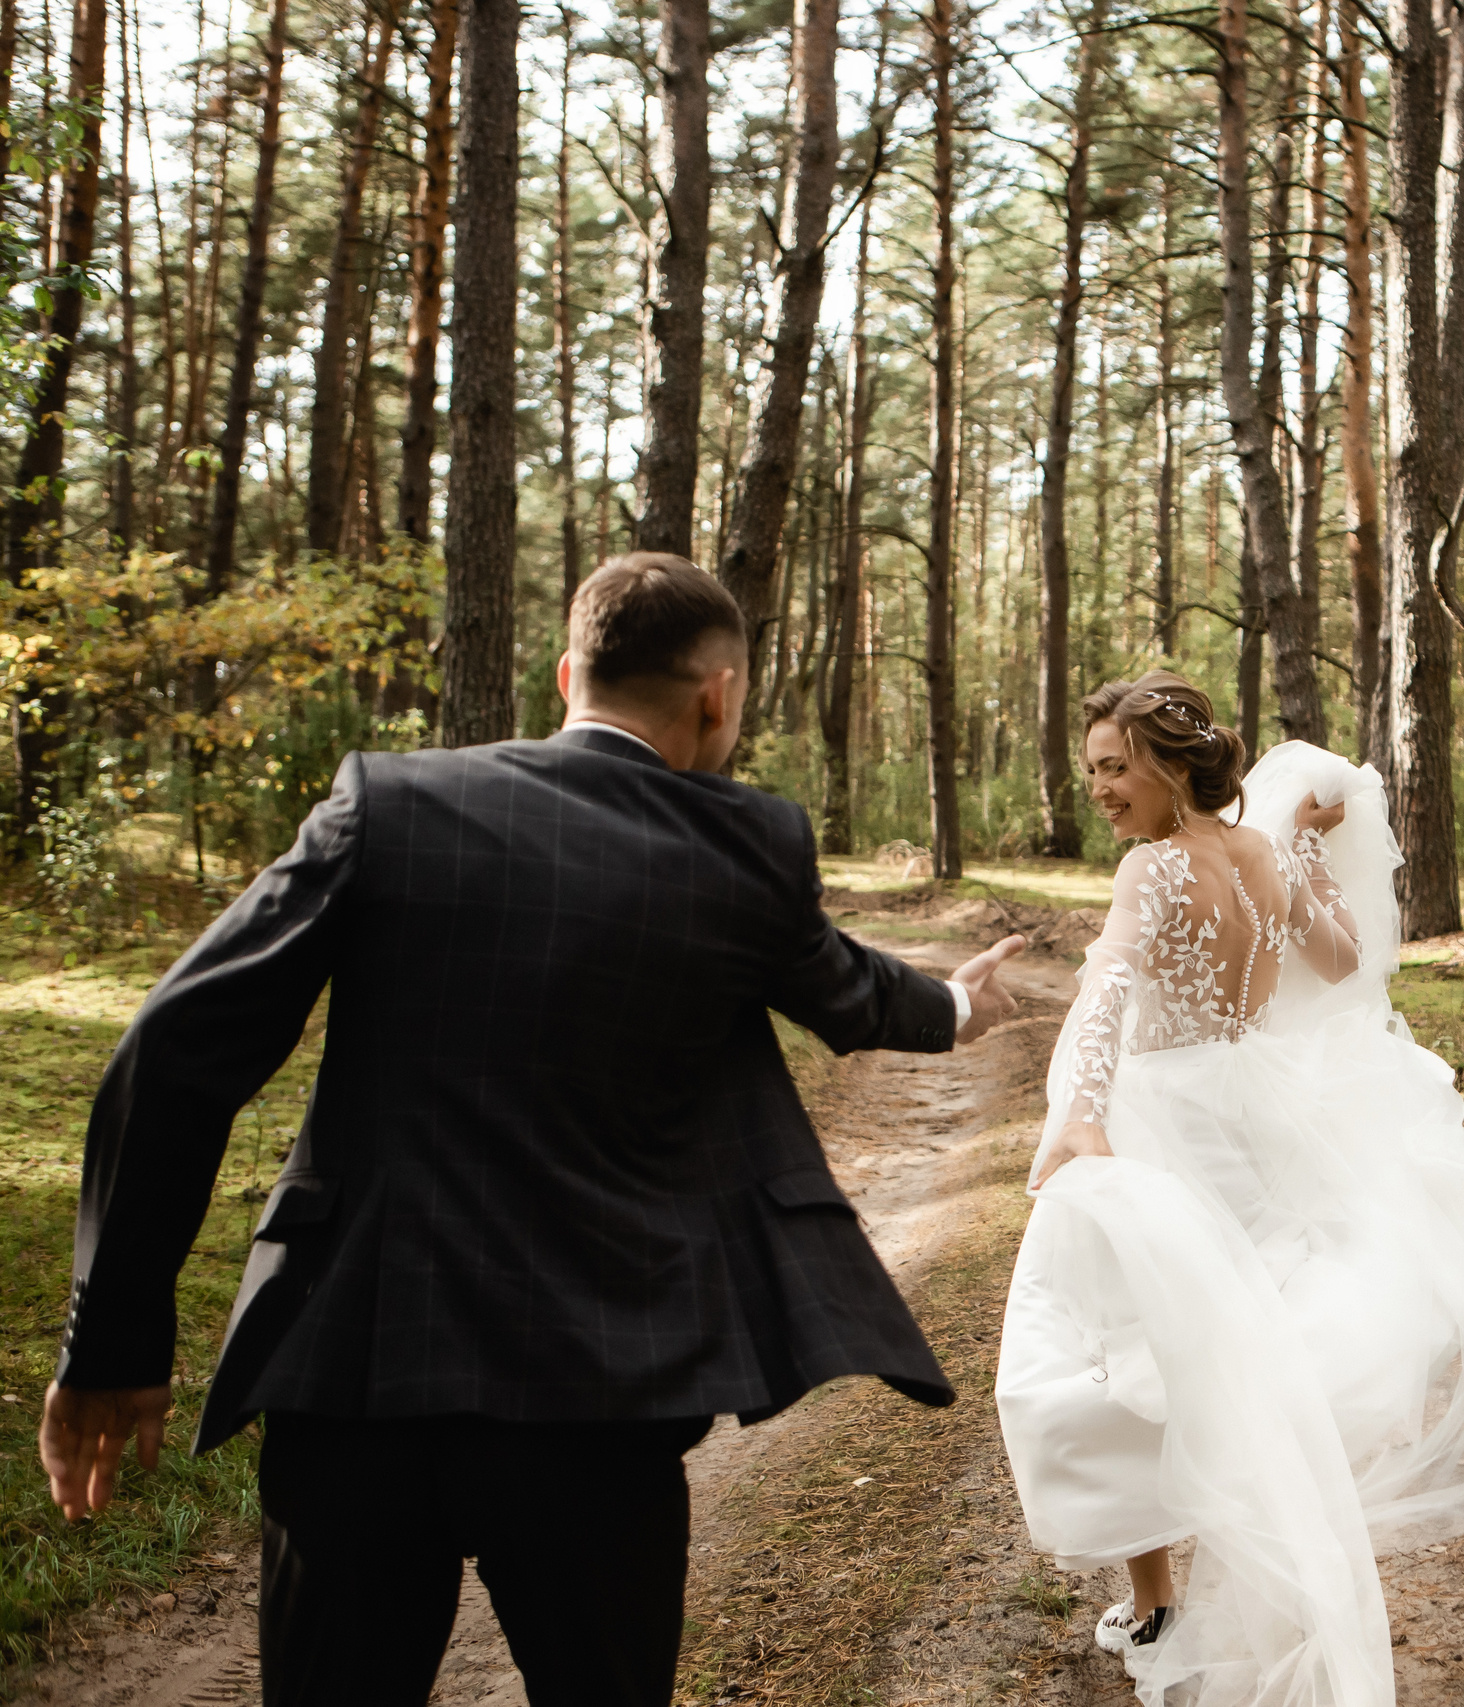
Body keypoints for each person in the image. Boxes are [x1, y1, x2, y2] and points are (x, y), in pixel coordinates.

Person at [41, 553, 1026, 1706]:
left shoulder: (385, 801)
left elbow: (172, 1053)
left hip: (356, 1371)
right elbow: (846, 990)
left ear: (569, 674)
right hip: (601, 1400)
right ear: (719, 695)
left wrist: (111, 1346)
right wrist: (960, 1008)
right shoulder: (746, 842)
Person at [995, 672, 1464, 1707]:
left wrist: (1081, 1118)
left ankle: (1161, 1598)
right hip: (1257, 1112)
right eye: (1094, 773)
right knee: (1228, 1348)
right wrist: (1301, 842)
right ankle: (1207, 1591)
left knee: (1132, 1349)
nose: (1102, 791)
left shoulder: (1150, 870)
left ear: (1168, 767)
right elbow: (1341, 961)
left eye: (1115, 769)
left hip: (1167, 1117)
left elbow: (1108, 990)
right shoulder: (1258, 855)